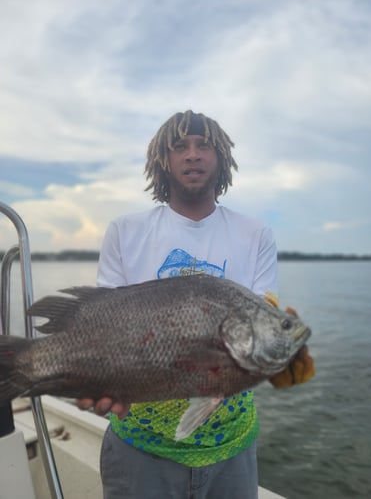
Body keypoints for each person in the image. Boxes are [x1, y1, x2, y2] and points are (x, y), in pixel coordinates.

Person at [77, 110, 314, 499]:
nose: (192, 154)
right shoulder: (126, 230)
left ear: (220, 158)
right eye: (180, 146)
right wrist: (94, 372)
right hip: (139, 443)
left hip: (232, 448)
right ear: (162, 160)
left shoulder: (255, 233)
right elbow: (105, 327)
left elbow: (261, 320)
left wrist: (281, 357)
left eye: (204, 145)